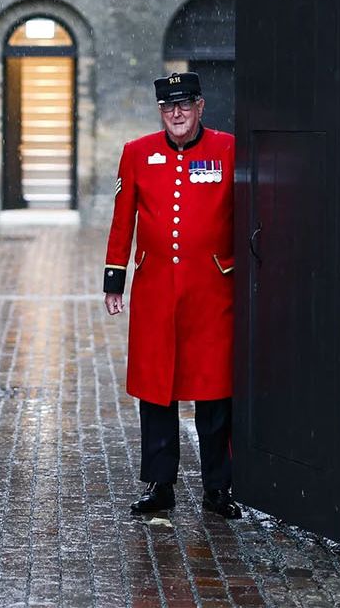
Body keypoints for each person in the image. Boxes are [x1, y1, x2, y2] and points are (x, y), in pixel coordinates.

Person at [102, 71, 240, 519]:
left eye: (184, 105)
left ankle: (218, 488)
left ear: (200, 107)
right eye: (167, 107)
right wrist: (113, 279)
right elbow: (123, 219)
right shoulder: (137, 153)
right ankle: (161, 485)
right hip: (157, 289)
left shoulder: (227, 149)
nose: (176, 114)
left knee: (214, 390)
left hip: (212, 289)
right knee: (156, 389)